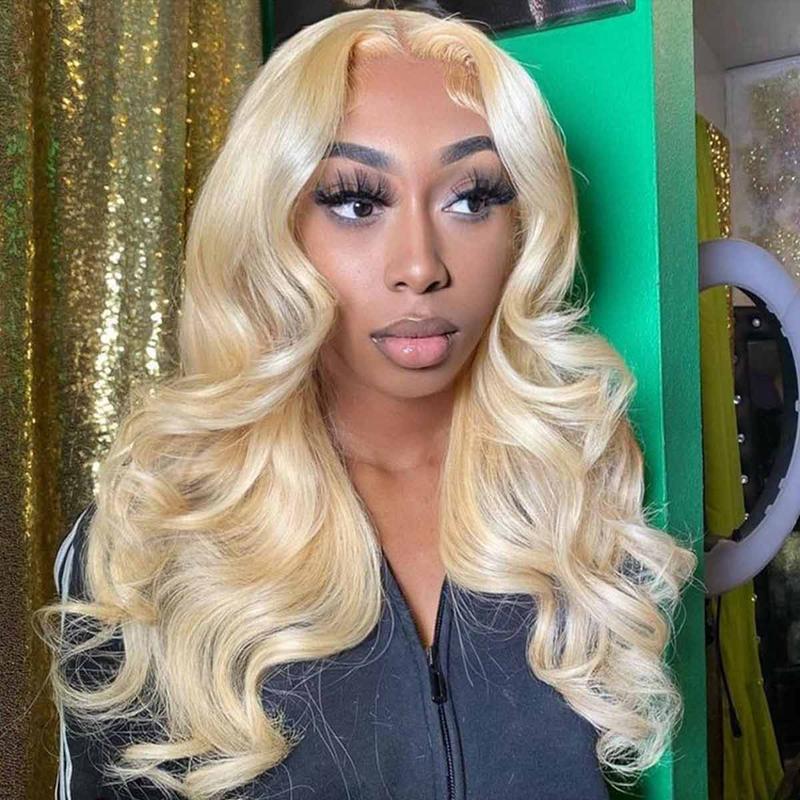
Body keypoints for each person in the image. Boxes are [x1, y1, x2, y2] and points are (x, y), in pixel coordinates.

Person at [36, 7, 699, 799]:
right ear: (271, 225)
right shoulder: (151, 540)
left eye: (472, 198)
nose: (420, 266)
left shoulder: (577, 495)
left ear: (523, 230)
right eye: (355, 202)